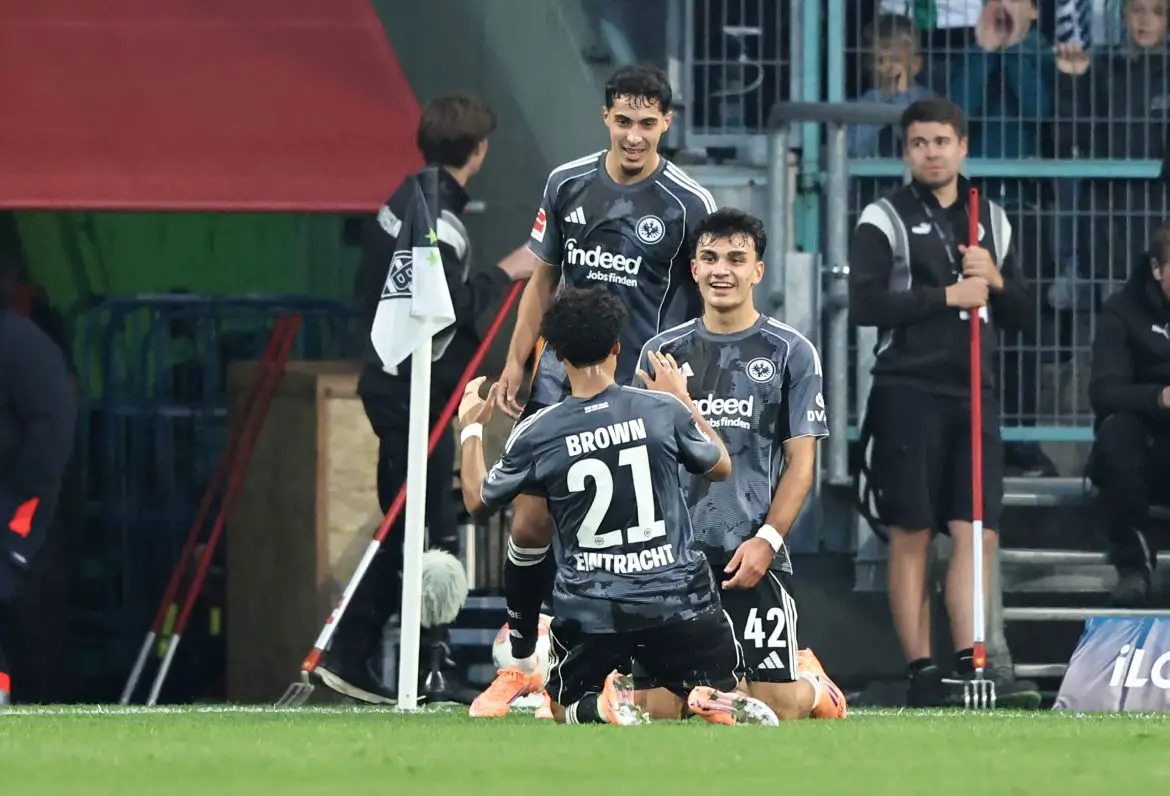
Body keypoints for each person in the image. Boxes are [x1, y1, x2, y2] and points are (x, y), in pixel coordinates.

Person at [480, 63, 716, 714]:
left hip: (634, 389)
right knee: (529, 518)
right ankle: (524, 657)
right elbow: (541, 276)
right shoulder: (567, 184)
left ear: (666, 123)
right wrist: (516, 362)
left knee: (617, 530)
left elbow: (706, 305)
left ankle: (598, 668)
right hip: (559, 375)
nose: (634, 135)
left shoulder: (690, 205)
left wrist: (682, 386)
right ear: (605, 118)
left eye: (647, 123)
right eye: (624, 121)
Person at [456, 285, 778, 726]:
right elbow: (721, 466)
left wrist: (471, 430)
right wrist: (685, 400)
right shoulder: (661, 409)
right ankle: (708, 692)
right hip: (680, 603)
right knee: (716, 677)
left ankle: (599, 705)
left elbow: (477, 502)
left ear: (555, 355)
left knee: (558, 706)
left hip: (593, 612)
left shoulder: (538, 432)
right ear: (617, 348)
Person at [317, 92, 533, 705]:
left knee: (409, 528)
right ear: (481, 151)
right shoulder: (444, 222)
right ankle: (420, 669)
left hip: (392, 382)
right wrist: (507, 270)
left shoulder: (399, 202)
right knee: (428, 531)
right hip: (414, 393)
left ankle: (356, 654)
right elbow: (448, 312)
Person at [849, 97, 1041, 709]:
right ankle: (922, 669)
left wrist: (998, 280)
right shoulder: (883, 218)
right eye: (919, 142)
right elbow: (866, 306)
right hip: (908, 389)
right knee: (912, 531)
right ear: (906, 151)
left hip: (975, 391)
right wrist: (946, 295)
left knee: (977, 531)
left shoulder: (994, 221)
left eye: (941, 140)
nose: (931, 151)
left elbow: (1022, 317)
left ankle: (971, 661)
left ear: (962, 144)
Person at [629, 208, 847, 721]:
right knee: (659, 710)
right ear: (694, 269)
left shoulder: (792, 352)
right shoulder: (661, 353)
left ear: (758, 271)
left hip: (750, 550)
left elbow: (801, 465)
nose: (721, 269)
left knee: (774, 707)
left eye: (735, 258)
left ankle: (815, 685)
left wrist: (767, 542)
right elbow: (645, 461)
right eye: (709, 257)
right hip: (673, 559)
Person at [0, 257, 76, 705]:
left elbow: (51, 431)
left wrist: (17, 521)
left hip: (20, 517)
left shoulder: (22, 345)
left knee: (30, 630)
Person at [1088, 219, 1170, 608]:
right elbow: (1105, 393)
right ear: (1157, 268)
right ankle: (1133, 566)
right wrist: (1161, 398)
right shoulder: (1122, 311)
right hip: (1145, 445)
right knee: (1116, 436)